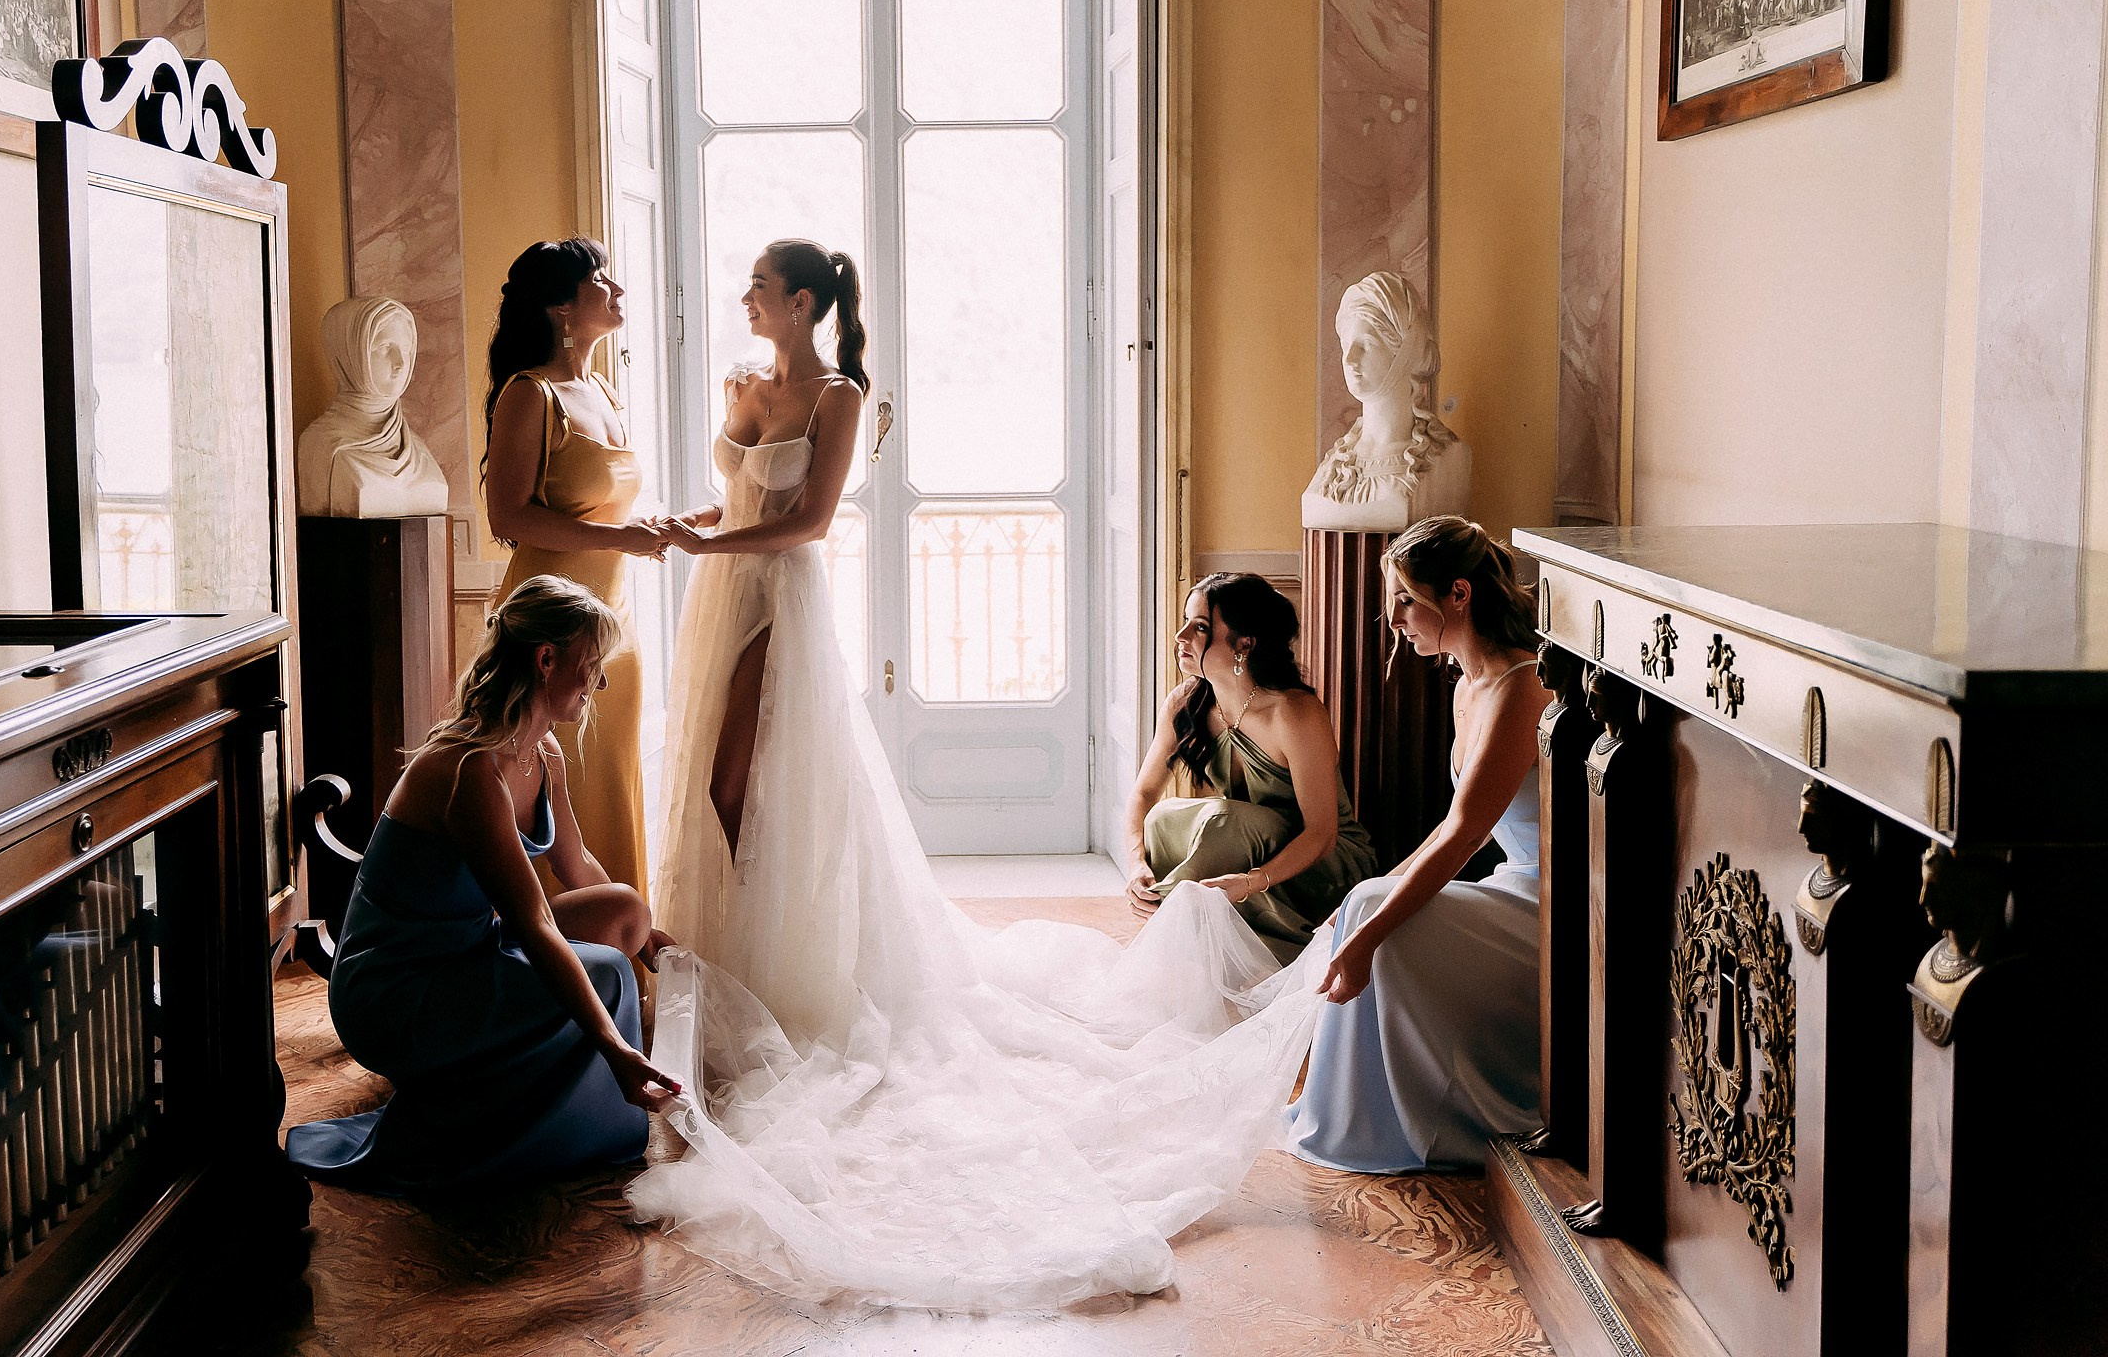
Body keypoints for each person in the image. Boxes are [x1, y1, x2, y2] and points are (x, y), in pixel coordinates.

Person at [630, 239, 1330, 1311]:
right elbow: (729, 497)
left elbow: (807, 521)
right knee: (708, 793)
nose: (745, 298)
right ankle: (721, 965)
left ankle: (785, 978)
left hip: (779, 595)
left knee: (753, 792)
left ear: (805, 303)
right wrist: (694, 516)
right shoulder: (747, 385)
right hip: (722, 594)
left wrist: (706, 546)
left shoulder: (838, 392)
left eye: (762, 287)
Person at [285, 576, 682, 1196]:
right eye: (591, 663)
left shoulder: (543, 753)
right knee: (605, 974)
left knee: (625, 912)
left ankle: (536, 1083)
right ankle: (550, 1115)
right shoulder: (469, 769)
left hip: (468, 951)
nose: (599, 682)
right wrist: (613, 1047)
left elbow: (575, 865)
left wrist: (643, 932)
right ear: (546, 659)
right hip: (396, 992)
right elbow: (533, 925)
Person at [1283, 515, 1552, 1172]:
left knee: (1378, 922)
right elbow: (1448, 824)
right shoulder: (1467, 686)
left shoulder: (1522, 688)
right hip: (1511, 885)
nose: (1394, 618)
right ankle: (1360, 1115)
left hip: (1555, 903)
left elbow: (1463, 835)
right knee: (1367, 903)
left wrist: (1369, 933)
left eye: (1405, 598)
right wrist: (1361, 908)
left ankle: (1425, 1122)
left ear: (1458, 594)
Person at [482, 238, 664, 894]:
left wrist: (656, 529)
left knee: (610, 787)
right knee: (550, 796)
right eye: (602, 279)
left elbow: (602, 505)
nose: (617, 291)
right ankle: (549, 975)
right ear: (562, 306)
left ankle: (621, 970)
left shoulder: (604, 392)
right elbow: (509, 517)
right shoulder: (529, 395)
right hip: (547, 632)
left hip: (611, 628)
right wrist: (620, 534)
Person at [1123, 572, 1375, 959]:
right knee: (1164, 818)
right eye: (1186, 622)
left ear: (1245, 644)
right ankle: (1174, 925)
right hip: (1247, 841)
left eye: (1201, 627)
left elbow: (1322, 833)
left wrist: (1251, 881)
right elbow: (1143, 793)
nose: (1181, 636)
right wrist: (1136, 862)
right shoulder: (1185, 703)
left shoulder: (1293, 713)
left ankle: (1165, 940)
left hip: (1325, 863)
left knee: (1225, 820)